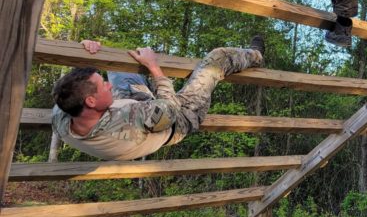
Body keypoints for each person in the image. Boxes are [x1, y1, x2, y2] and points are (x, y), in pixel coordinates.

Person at [51, 37, 265, 161]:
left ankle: (146, 73)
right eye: (103, 85)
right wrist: (153, 66)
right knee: (216, 59)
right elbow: (169, 109)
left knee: (118, 62)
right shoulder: (128, 119)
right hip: (178, 119)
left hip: (141, 111)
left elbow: (72, 87)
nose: (108, 84)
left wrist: (93, 50)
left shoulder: (61, 115)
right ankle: (256, 55)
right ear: (90, 101)